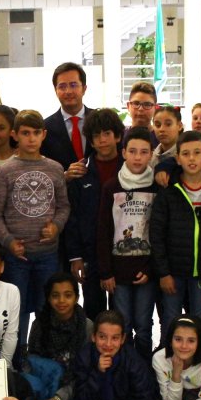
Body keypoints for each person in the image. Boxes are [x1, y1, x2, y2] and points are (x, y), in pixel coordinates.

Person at [0, 109, 70, 346]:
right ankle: (18, 354)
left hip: (48, 254)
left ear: (44, 134)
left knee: (48, 307)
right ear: (15, 135)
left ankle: (44, 351)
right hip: (17, 257)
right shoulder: (5, 171)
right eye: (25, 133)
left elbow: (64, 206)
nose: (31, 138)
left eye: (36, 133)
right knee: (18, 308)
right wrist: (8, 241)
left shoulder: (55, 169)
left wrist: (56, 227)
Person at [60, 310, 169, 400]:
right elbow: (83, 398)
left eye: (115, 338)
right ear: (93, 337)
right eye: (102, 337)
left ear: (123, 339)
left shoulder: (133, 360)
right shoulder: (85, 356)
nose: (108, 344)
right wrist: (97, 373)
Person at [149, 130, 201, 327]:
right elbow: (157, 234)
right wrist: (163, 273)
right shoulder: (168, 192)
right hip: (173, 272)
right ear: (177, 159)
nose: (191, 158)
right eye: (185, 154)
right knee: (170, 320)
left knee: (200, 321)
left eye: (197, 153)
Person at [96, 125, 160, 358]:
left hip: (146, 271)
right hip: (117, 272)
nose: (137, 157)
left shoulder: (157, 187)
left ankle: (142, 369)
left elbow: (161, 232)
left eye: (144, 152)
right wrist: (105, 272)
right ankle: (122, 368)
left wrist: (151, 269)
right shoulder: (111, 187)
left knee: (143, 326)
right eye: (132, 151)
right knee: (121, 325)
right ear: (123, 152)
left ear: (151, 154)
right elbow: (103, 231)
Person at [64, 108, 124, 319]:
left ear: (118, 136)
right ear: (90, 140)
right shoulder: (81, 172)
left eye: (107, 133)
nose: (102, 140)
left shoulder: (130, 170)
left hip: (122, 252)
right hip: (90, 253)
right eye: (96, 135)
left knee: (121, 312)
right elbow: (72, 217)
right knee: (92, 310)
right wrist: (76, 256)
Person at [24, 272, 91, 400]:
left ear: (76, 298)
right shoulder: (40, 324)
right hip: (44, 385)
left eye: (68, 295)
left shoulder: (86, 327)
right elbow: (32, 363)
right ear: (48, 298)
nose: (61, 301)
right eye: (55, 295)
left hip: (73, 387)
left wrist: (59, 399)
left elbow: (85, 372)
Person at [41, 62, 93, 171]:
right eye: (62, 87)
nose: (68, 91)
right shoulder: (45, 128)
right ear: (55, 90)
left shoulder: (99, 120)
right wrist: (64, 176)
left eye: (73, 85)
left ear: (84, 89)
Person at [149, 102, 180, 168]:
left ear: (179, 126)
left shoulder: (185, 155)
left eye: (168, 124)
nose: (162, 129)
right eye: (158, 125)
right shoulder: (151, 157)